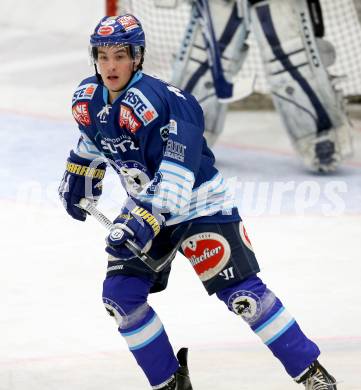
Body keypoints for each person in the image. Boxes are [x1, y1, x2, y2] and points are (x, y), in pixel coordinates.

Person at [58, 14, 338, 390]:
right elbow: (97, 138)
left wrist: (143, 218)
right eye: (103, 56)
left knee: (243, 297)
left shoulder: (170, 103)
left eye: (120, 55)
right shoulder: (89, 99)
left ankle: (312, 374)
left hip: (201, 205)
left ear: (137, 57)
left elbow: (178, 176)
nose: (111, 65)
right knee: (120, 297)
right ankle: (170, 382)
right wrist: (81, 172)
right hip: (146, 206)